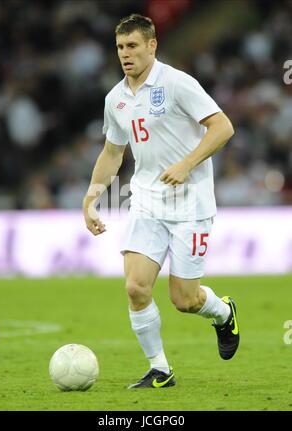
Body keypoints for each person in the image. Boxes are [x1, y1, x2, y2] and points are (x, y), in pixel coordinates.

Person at [83, 13, 239, 389]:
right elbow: (112, 152)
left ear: (152, 46)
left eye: (133, 46)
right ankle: (160, 370)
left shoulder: (177, 83)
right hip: (147, 202)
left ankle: (223, 313)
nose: (125, 54)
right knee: (136, 287)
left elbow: (223, 126)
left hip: (190, 205)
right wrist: (91, 198)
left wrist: (186, 164)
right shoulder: (115, 99)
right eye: (120, 47)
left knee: (184, 300)